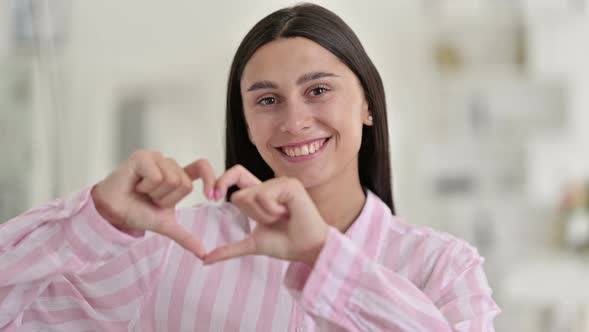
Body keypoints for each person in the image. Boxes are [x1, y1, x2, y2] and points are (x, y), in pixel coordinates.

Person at [0, 3, 500, 331]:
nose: (295, 120)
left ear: (367, 104)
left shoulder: (444, 270)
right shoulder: (173, 251)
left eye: (318, 90)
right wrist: (95, 219)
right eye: (267, 100)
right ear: (244, 118)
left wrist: (323, 257)